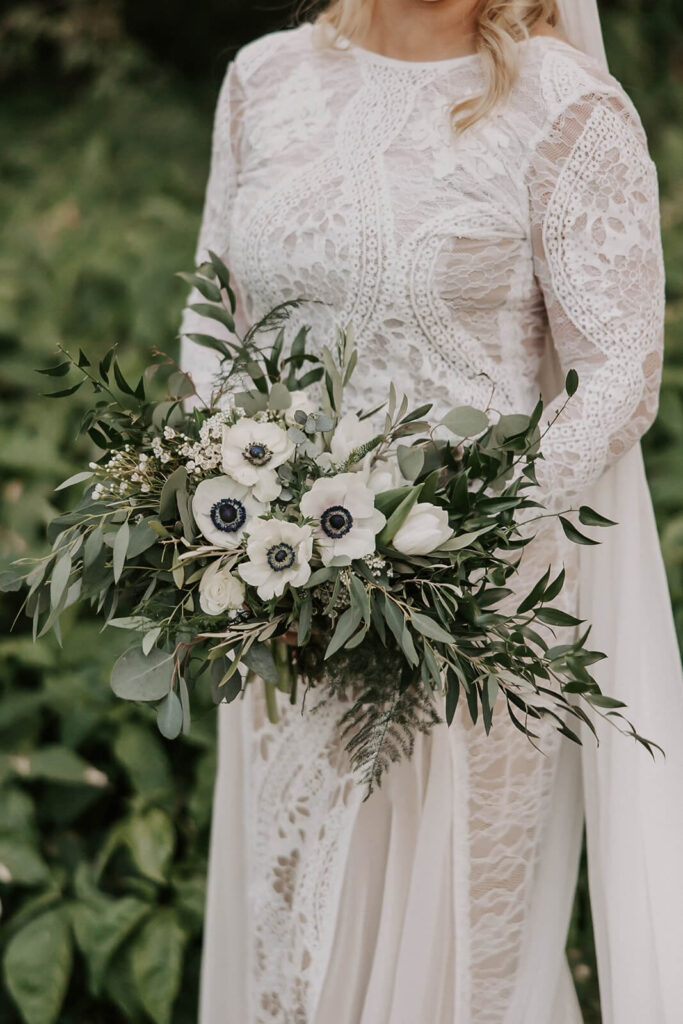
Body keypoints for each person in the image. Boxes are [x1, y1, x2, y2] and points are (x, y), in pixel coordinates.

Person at [179, 2, 683, 1021]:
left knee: (453, 961)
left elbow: (616, 371)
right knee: (293, 932)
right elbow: (210, 321)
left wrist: (459, 537)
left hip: (472, 622)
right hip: (280, 606)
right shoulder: (263, 80)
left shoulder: (564, 104)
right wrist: (224, 492)